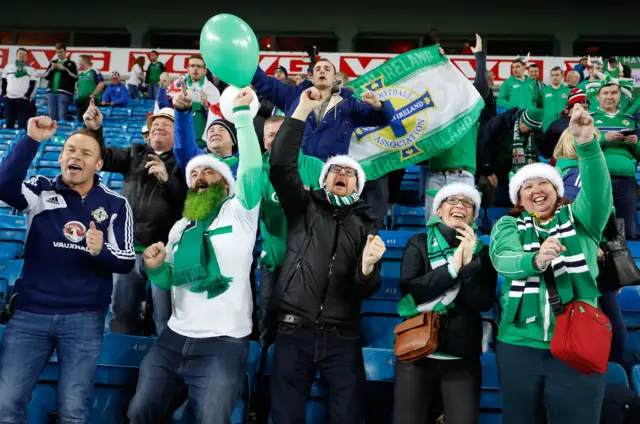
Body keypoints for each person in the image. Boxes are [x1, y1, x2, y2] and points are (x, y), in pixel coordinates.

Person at [127, 88, 261, 424]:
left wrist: (243, 117)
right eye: (194, 174)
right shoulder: (180, 228)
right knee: (140, 412)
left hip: (224, 343)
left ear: (227, 184)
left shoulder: (241, 212)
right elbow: (169, 278)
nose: (200, 177)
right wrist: (156, 267)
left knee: (211, 419)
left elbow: (253, 167)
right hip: (174, 337)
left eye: (209, 172)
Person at [0, 116, 135, 421]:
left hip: (84, 318)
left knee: (73, 412)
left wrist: (100, 251)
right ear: (60, 157)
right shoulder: (41, 189)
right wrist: (31, 138)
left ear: (98, 165)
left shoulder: (115, 204)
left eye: (86, 153)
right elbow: (4, 185)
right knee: (5, 405)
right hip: (30, 315)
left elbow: (126, 261)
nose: (76, 156)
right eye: (70, 151)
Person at [268, 87, 385, 424]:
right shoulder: (302, 206)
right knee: (286, 416)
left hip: (343, 334)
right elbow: (279, 165)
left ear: (358, 187)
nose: (342, 175)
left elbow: (366, 289)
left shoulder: (367, 225)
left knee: (347, 417)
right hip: (293, 329)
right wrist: (301, 111)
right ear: (324, 178)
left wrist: (366, 269)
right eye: (336, 171)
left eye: (349, 173)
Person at [490, 104, 611, 424]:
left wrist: (587, 145)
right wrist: (536, 258)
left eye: (543, 183)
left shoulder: (581, 219)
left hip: (578, 343)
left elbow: (599, 194)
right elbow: (504, 259)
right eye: (527, 186)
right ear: (519, 198)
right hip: (518, 347)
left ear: (557, 190)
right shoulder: (507, 226)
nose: (535, 190)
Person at [83, 101, 188, 335]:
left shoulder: (186, 161)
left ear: (178, 132)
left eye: (166, 124)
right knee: (121, 314)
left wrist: (166, 180)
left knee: (165, 318)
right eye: (155, 124)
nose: (158, 127)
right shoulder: (135, 153)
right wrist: (96, 130)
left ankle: (163, 366)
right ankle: (119, 368)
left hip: (165, 253)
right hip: (126, 250)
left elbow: (188, 202)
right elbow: (103, 158)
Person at [394, 183, 496, 424]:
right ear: (438, 210)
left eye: (467, 203)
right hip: (415, 356)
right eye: (452, 200)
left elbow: (482, 302)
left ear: (473, 214)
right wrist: (452, 269)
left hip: (462, 360)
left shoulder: (483, 253)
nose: (459, 205)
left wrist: (469, 265)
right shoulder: (418, 243)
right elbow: (411, 291)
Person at [251, 58, 395, 228]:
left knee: (326, 227)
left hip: (329, 177)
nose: (322, 71)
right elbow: (264, 83)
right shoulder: (294, 96)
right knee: (291, 224)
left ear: (335, 78)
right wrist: (248, 60)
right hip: (297, 170)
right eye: (318, 68)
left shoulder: (349, 104)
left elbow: (384, 117)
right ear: (312, 76)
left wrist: (378, 105)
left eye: (327, 68)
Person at [552, 127, 627, 365]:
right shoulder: (576, 172)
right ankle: (610, 379)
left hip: (587, 261)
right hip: (589, 260)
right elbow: (577, 216)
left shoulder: (561, 172)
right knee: (610, 329)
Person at [257, 115, 324, 348]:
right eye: (271, 135)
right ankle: (263, 369)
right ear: (263, 140)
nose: (276, 140)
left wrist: (311, 197)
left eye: (281, 133)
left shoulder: (316, 167)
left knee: (305, 323)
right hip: (273, 261)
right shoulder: (256, 170)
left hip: (308, 262)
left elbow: (331, 210)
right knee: (267, 316)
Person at [425, 34, 489, 221]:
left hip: (462, 176)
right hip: (435, 176)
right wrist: (435, 62)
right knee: (433, 225)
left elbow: (482, 88)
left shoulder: (470, 110)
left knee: (464, 227)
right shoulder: (435, 111)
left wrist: (479, 57)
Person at [592, 76, 640, 240]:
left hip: (626, 179)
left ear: (620, 95)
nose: (609, 96)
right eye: (605, 93)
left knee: (629, 231)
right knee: (599, 228)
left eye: (614, 92)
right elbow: (576, 145)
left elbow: (638, 154)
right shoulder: (589, 119)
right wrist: (605, 138)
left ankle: (626, 264)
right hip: (598, 177)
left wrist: (635, 143)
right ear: (598, 96)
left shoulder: (630, 121)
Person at [477, 108, 545, 206]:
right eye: (527, 128)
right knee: (486, 184)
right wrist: (488, 171)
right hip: (492, 167)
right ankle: (486, 215)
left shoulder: (534, 131)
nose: (528, 131)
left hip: (515, 170)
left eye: (532, 130)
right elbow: (483, 146)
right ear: (521, 120)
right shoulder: (499, 123)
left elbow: (542, 151)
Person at [173, 83, 239, 175]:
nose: (215, 133)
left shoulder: (243, 166)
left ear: (233, 140)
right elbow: (184, 144)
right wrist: (182, 112)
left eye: (221, 130)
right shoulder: (197, 160)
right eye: (211, 131)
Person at [539, 87, 588, 159]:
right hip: (564, 163)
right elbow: (545, 151)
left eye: (586, 106)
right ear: (573, 107)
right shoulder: (557, 125)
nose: (585, 108)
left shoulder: (589, 123)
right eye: (582, 104)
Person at [1, 47, 38, 129]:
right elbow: (4, 81)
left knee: (22, 122)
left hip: (23, 99)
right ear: (16, 55)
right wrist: (4, 94)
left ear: (27, 57)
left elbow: (33, 84)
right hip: (9, 98)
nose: (22, 56)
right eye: (20, 54)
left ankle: (22, 141)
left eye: (24, 55)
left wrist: (27, 96)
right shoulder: (8, 67)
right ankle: (9, 140)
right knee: (9, 121)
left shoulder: (31, 69)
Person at [44, 43, 77, 122]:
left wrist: (64, 69)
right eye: (57, 52)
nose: (59, 54)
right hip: (51, 92)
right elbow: (46, 76)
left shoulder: (71, 63)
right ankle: (53, 134)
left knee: (62, 115)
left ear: (65, 52)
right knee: (52, 115)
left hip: (65, 92)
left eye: (61, 52)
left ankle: (62, 133)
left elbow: (75, 77)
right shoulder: (53, 62)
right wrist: (51, 69)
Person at [75, 54, 105, 123]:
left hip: (90, 99)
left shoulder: (94, 71)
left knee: (89, 120)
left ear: (84, 61)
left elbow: (101, 83)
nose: (78, 63)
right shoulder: (80, 75)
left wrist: (93, 94)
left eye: (79, 60)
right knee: (80, 120)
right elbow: (78, 87)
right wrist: (77, 97)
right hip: (80, 100)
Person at [541, 66, 570, 131]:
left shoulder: (568, 91)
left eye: (557, 75)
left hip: (564, 124)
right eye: (553, 75)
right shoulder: (544, 91)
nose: (555, 77)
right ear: (550, 77)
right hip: (547, 124)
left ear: (562, 76)